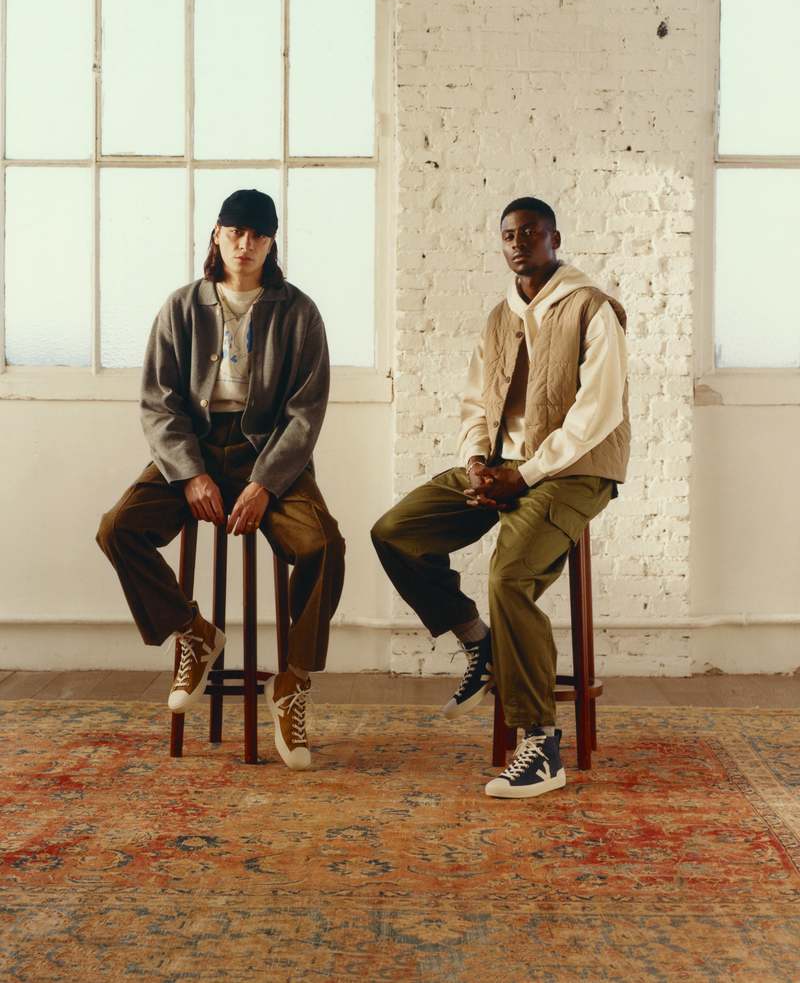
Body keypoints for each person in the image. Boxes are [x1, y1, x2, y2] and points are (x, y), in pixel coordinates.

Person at [371, 197, 629, 798]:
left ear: (555, 238)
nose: (519, 243)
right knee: (396, 531)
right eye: (510, 235)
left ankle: (541, 744)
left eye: (531, 232)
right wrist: (477, 462)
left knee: (508, 576)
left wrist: (528, 473)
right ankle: (477, 640)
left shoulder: (592, 308)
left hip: (574, 471)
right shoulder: (498, 317)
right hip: (502, 466)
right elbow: (474, 403)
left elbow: (599, 410)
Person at [97, 189, 345, 771]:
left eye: (257, 234)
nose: (245, 243)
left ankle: (293, 680)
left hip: (270, 454)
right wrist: (189, 473)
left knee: (325, 545)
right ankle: (195, 633)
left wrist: (265, 484)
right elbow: (159, 402)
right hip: (195, 448)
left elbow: (306, 413)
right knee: (118, 529)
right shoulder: (181, 307)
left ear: (272, 242)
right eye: (235, 231)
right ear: (216, 234)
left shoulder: (299, 312)